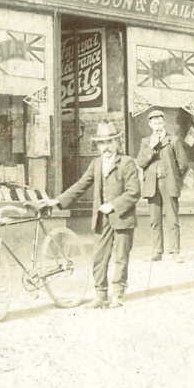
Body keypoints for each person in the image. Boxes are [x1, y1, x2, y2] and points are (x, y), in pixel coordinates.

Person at [43, 120, 140, 308]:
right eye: (102, 143)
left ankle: (118, 294)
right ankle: (100, 295)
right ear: (97, 146)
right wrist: (58, 201)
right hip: (102, 219)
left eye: (111, 142)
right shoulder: (96, 164)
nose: (107, 147)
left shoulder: (127, 163)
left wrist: (112, 205)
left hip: (123, 218)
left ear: (118, 142)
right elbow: (81, 185)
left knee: (121, 257)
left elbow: (134, 192)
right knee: (99, 256)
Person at [138, 107, 192, 261]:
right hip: (152, 186)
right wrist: (152, 149)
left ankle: (174, 252)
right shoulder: (146, 142)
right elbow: (141, 163)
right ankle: (157, 251)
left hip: (168, 184)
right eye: (154, 121)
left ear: (164, 123)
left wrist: (175, 179)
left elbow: (183, 164)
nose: (157, 123)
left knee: (172, 219)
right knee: (155, 220)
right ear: (150, 124)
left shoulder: (173, 140)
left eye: (160, 121)